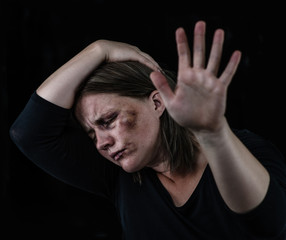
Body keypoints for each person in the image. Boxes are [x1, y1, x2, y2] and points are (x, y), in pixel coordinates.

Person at [9, 20, 286, 239]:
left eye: (107, 120)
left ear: (157, 102)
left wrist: (213, 132)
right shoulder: (120, 178)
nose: (101, 143)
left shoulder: (247, 150)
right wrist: (99, 49)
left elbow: (269, 222)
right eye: (92, 134)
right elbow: (28, 133)